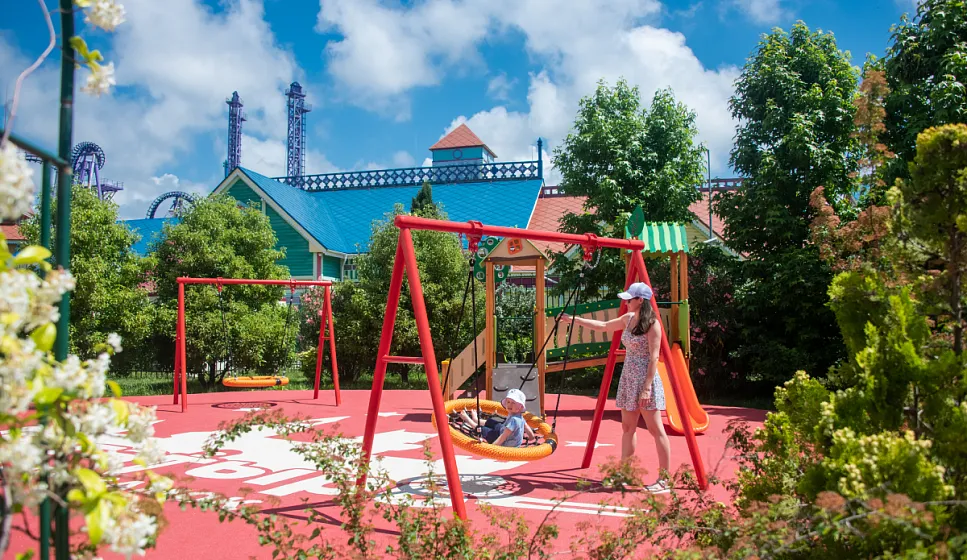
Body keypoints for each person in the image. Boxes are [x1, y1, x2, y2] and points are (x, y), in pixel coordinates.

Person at [560, 282, 671, 494]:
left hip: (645, 380)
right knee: (627, 428)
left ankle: (664, 479)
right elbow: (603, 326)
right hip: (629, 378)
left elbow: (654, 357)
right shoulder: (628, 319)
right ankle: (624, 473)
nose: (626, 302)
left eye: (629, 299)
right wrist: (574, 320)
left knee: (656, 429)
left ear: (640, 300)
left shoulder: (652, 324)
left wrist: (647, 388)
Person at [458, 388, 534, 447]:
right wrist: (531, 437)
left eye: (513, 403)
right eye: (508, 402)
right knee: (494, 423)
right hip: (502, 431)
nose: (509, 405)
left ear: (520, 407)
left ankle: (468, 420)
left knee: (484, 430)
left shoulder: (514, 420)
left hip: (504, 443)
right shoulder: (519, 416)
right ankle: (476, 419)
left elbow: (503, 436)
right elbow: (527, 428)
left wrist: (493, 448)